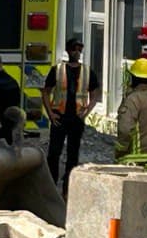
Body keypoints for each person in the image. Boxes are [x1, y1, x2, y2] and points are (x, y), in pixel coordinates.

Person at [42, 37, 102, 196]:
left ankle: (67, 188)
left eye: (79, 49)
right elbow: (46, 91)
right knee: (53, 153)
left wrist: (87, 111)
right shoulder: (58, 69)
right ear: (68, 50)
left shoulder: (88, 71)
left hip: (76, 118)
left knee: (73, 154)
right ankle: (51, 186)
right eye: (74, 49)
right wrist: (50, 113)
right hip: (59, 117)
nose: (77, 52)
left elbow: (95, 93)